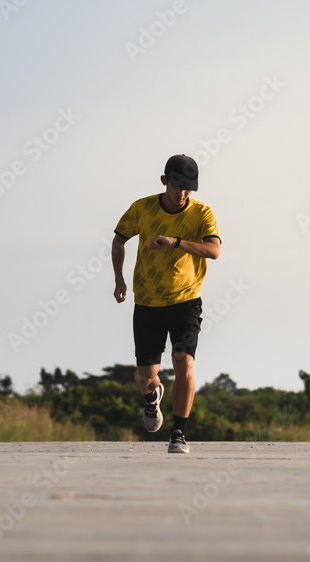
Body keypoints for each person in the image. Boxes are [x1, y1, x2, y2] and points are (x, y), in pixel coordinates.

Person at [111, 154, 221, 453]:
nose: (183, 193)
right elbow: (119, 240)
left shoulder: (202, 213)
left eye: (189, 188)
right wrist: (119, 280)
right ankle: (151, 398)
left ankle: (179, 433)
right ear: (165, 181)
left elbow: (213, 250)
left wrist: (176, 241)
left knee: (184, 363)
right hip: (147, 301)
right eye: (177, 186)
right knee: (146, 377)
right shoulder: (142, 208)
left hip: (186, 300)